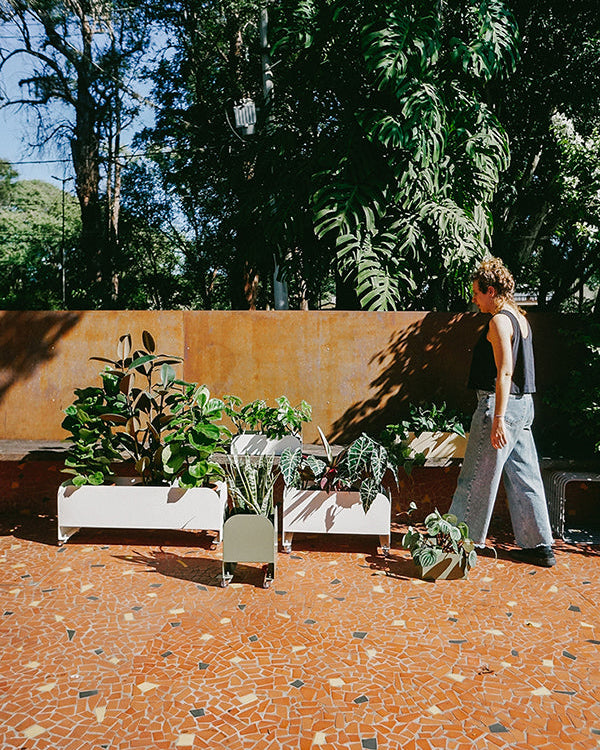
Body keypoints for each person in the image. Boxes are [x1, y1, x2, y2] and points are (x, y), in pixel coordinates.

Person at [448, 257, 556, 567]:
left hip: (500, 406)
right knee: (526, 475)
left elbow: (505, 371)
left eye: (477, 293)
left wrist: (496, 418)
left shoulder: (498, 320)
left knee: (475, 477)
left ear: (491, 290)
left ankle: (455, 541)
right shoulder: (521, 318)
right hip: (524, 407)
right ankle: (540, 545)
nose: (474, 299)